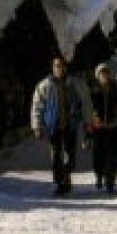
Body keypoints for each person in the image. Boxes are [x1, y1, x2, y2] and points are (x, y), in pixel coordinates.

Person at [30, 55, 87, 197]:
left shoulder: (73, 84)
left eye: (61, 65)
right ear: (52, 68)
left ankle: (66, 176)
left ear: (65, 67)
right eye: (56, 65)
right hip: (53, 126)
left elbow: (83, 102)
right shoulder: (44, 85)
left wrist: (83, 119)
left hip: (70, 125)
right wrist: (37, 126)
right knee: (56, 156)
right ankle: (60, 182)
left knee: (71, 157)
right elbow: (37, 106)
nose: (59, 68)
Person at [86, 62, 117, 194]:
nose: (104, 76)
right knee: (98, 156)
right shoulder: (92, 89)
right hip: (98, 127)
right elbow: (87, 109)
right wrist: (87, 128)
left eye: (106, 73)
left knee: (112, 156)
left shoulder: (116, 89)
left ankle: (110, 181)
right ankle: (99, 175)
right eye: (101, 73)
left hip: (113, 126)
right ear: (97, 76)